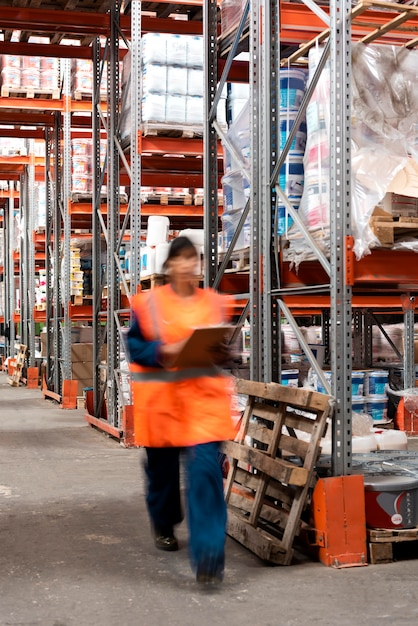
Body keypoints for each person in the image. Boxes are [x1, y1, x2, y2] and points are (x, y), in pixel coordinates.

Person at [126, 236, 236, 585]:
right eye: (182, 259)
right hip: (162, 404)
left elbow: (223, 350)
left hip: (202, 403)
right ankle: (164, 522)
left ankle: (208, 557)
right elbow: (135, 348)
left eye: (194, 259)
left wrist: (221, 353)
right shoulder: (148, 305)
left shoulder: (216, 303)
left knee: (205, 475)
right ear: (169, 266)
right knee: (162, 476)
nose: (189, 265)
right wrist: (162, 352)